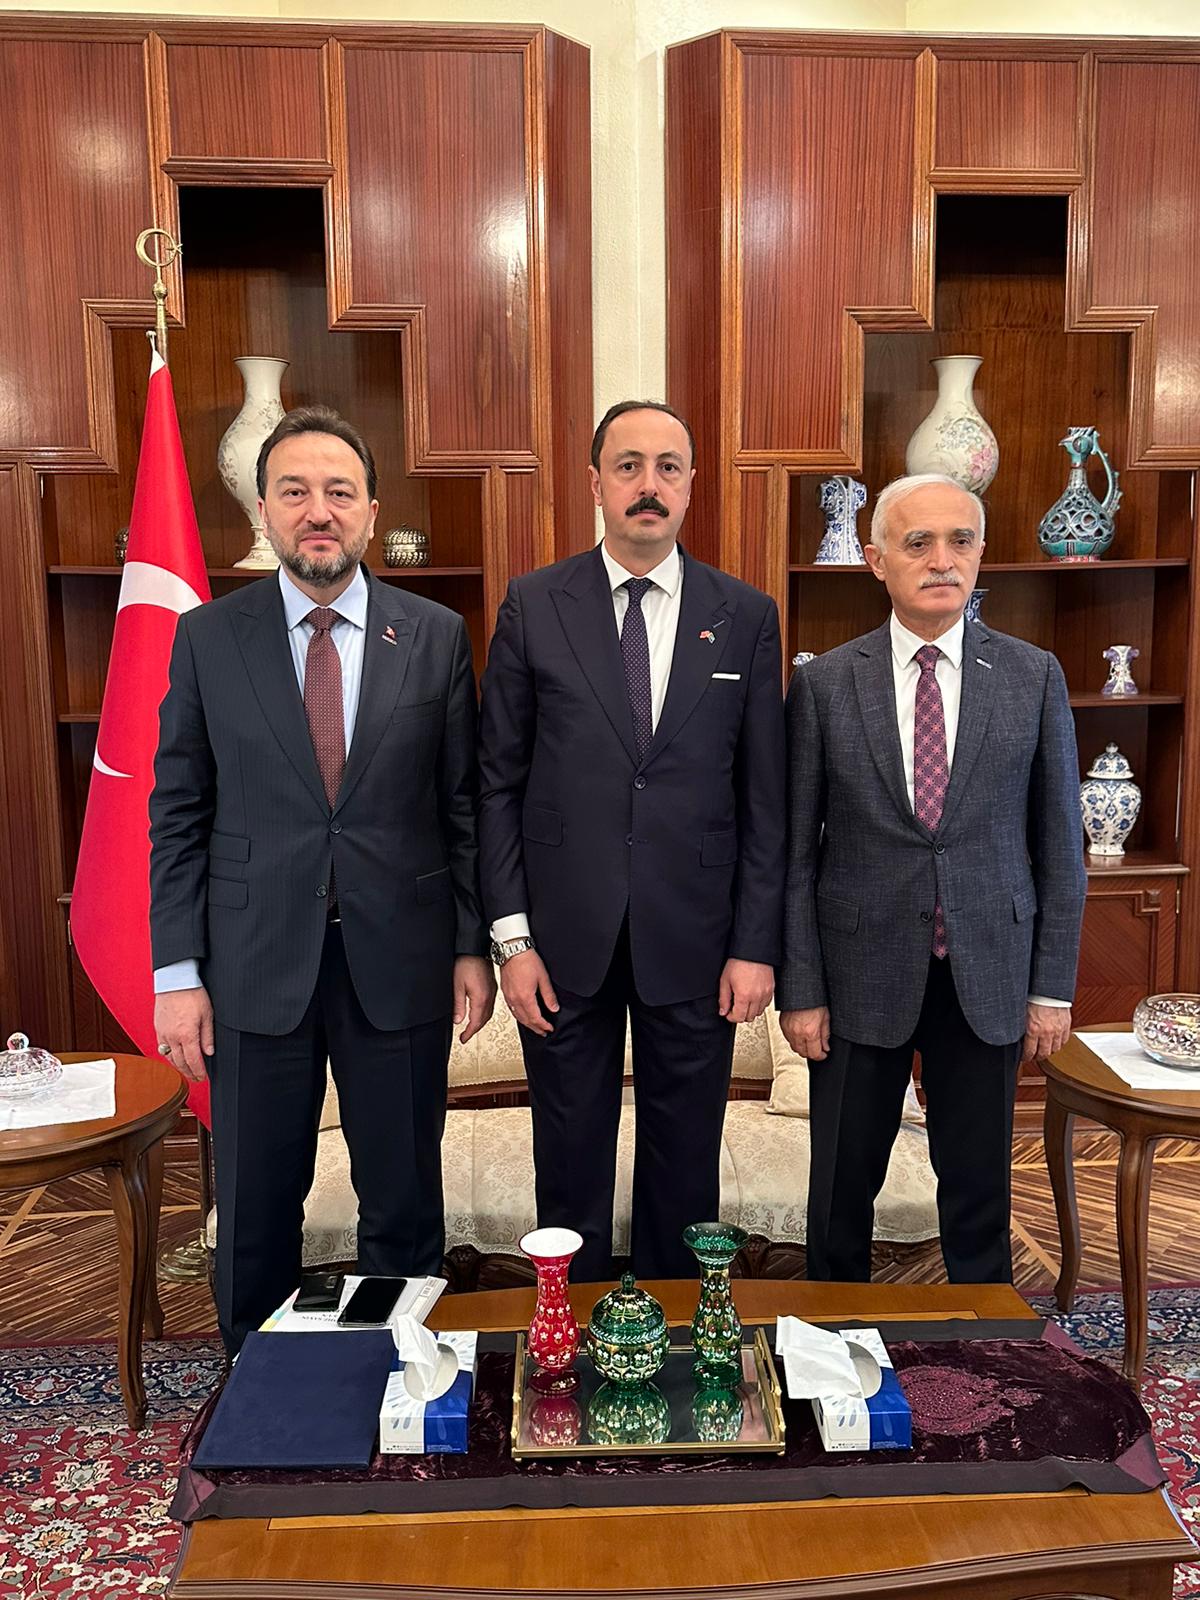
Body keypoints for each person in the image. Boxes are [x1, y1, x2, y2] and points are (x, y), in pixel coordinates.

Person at [149, 406, 494, 1353]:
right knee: (256, 1205)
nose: (318, 511)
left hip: (401, 962)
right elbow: (177, 812)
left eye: (340, 492)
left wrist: (472, 946)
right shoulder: (208, 638)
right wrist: (176, 972)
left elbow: (461, 805)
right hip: (252, 964)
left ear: (372, 512)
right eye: (294, 491)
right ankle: (255, 1390)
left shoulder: (434, 635)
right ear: (262, 510)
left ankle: (397, 1376)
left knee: (402, 1203)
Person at [477, 400, 785, 1281]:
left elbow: (765, 799)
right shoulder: (535, 605)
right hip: (561, 943)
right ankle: (568, 1331)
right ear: (595, 483)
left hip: (697, 938)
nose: (649, 486)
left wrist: (754, 945)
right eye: (628, 466)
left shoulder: (745, 614)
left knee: (685, 1163)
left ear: (690, 486)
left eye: (668, 467)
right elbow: (496, 784)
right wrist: (512, 943)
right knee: (569, 1159)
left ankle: (675, 1330)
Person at [779, 473, 1086, 1284]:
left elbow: (1061, 846)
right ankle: (833, 1340)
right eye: (918, 542)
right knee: (840, 1194)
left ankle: (982, 1344)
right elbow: (794, 854)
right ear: (876, 559)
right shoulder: (823, 684)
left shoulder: (1033, 676)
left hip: (988, 974)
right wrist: (801, 990)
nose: (942, 560)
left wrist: (1051, 988)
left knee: (979, 1196)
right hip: (858, 977)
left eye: (960, 541)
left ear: (981, 553)